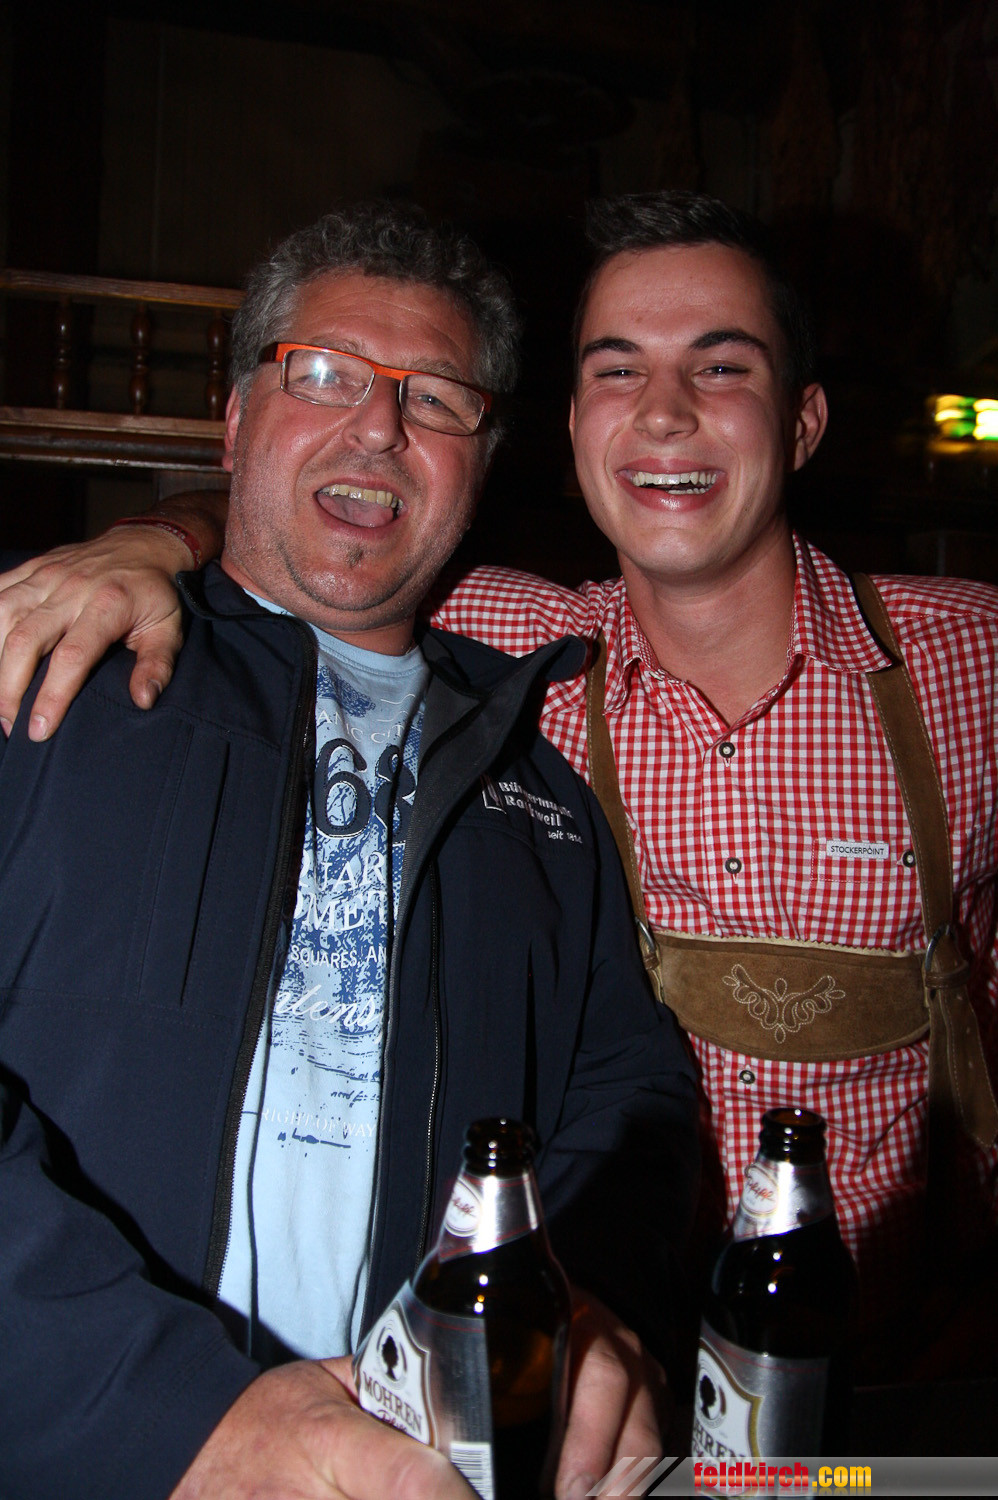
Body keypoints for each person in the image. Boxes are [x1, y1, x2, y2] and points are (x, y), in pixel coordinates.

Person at [3, 189, 997, 1369]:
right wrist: (147, 541)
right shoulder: (516, 665)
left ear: (802, 419)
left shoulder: (963, 664)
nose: (664, 412)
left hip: (892, 1369)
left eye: (721, 368)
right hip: (569, 1379)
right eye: (618, 370)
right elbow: (314, 522)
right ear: (572, 427)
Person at [0, 202, 701, 1500]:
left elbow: (630, 1094)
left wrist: (585, 1293)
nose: (377, 426)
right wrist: (167, 1418)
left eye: (434, 399)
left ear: (479, 464)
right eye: (321, 374)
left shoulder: (538, 788)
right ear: (233, 422)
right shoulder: (45, 663)